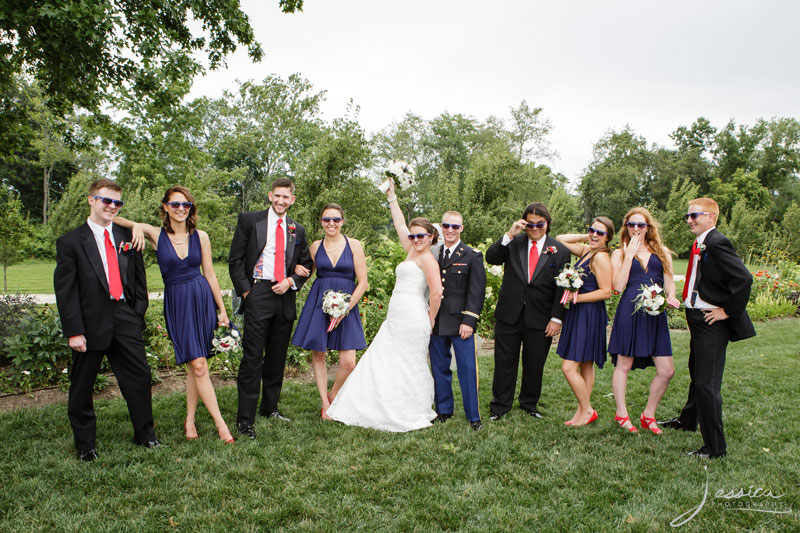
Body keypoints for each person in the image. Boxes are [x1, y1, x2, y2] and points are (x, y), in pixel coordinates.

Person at [115, 186, 234, 444]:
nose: (181, 209)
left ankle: (190, 419)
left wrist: (222, 309)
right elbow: (113, 217)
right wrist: (136, 226)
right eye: (176, 204)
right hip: (178, 302)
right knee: (198, 364)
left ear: (191, 209)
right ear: (166, 207)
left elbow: (210, 274)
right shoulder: (156, 234)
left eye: (186, 205)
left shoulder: (200, 236)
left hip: (201, 298)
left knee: (198, 365)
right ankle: (221, 424)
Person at [54, 179, 158, 462]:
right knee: (82, 386)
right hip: (89, 323)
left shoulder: (128, 236)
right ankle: (86, 445)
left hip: (125, 316)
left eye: (117, 202)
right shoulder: (71, 242)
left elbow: (139, 279)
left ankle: (146, 435)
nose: (112, 206)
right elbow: (66, 291)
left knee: (139, 377)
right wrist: (74, 331)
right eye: (106, 201)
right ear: (91, 200)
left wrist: (137, 314)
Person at [325, 180, 441, 432]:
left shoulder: (428, 259)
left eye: (421, 236)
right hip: (396, 316)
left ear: (431, 237)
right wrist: (392, 198)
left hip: (413, 317)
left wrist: (431, 320)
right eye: (413, 235)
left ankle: (406, 408)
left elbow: (437, 293)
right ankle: (375, 402)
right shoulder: (411, 249)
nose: (415, 239)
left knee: (408, 362)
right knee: (385, 358)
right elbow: (399, 224)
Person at [658, 198, 755, 458]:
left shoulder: (716, 242)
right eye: (687, 216)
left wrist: (726, 311)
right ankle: (688, 421)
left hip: (712, 323)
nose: (689, 220)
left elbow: (744, 279)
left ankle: (715, 448)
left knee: (706, 382)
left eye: (694, 216)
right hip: (697, 318)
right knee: (697, 373)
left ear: (711, 217)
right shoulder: (701, 243)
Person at [228, 178, 313, 439]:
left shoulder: (297, 229)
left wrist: (293, 280)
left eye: (286, 197)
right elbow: (235, 259)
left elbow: (306, 264)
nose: (281, 201)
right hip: (258, 293)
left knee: (276, 357)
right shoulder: (250, 220)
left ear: (292, 200)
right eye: (277, 195)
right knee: (252, 358)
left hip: (284, 295)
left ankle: (270, 408)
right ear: (270, 196)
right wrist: (247, 292)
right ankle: (245, 419)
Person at [485, 202, 571, 421]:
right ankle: (500, 406)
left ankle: (529, 404)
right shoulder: (514, 242)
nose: (534, 228)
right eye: (529, 224)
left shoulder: (559, 251)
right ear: (523, 224)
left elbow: (563, 288)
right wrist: (509, 234)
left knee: (534, 363)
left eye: (539, 224)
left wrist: (556, 318)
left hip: (541, 317)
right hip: (509, 314)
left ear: (547, 223)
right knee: (504, 362)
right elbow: (491, 257)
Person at [291, 204, 368, 419]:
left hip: (346, 305)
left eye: (335, 219)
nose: (331, 223)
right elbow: (307, 273)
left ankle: (333, 395)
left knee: (349, 362)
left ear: (342, 221)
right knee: (318, 354)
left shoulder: (354, 245)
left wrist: (346, 308)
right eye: (326, 220)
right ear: (321, 222)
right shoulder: (315, 247)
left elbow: (363, 282)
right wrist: (296, 269)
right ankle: (325, 404)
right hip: (319, 303)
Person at [608, 208, 680, 434]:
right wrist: (629, 255)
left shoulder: (662, 252)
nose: (636, 229)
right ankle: (621, 414)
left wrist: (672, 297)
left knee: (667, 370)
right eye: (631, 225)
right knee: (624, 364)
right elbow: (618, 286)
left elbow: (669, 281)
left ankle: (648, 414)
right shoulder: (619, 253)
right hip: (630, 311)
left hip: (655, 313)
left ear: (649, 227)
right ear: (626, 227)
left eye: (640, 225)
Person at [428, 211, 486, 431]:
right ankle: (444, 410)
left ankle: (473, 416)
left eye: (455, 226)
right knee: (439, 367)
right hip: (438, 321)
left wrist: (469, 321)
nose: (450, 230)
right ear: (441, 227)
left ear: (461, 228)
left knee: (467, 369)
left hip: (461, 322)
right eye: (446, 226)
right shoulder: (434, 253)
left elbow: (476, 291)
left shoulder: (472, 255)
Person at [555, 217, 614, 427]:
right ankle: (581, 413)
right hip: (578, 312)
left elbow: (606, 291)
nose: (595, 235)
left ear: (608, 238)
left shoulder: (601, 258)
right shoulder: (588, 251)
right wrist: (586, 236)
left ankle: (587, 409)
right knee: (586, 364)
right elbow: (560, 239)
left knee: (569, 367)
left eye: (600, 233)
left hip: (589, 313)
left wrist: (576, 298)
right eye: (592, 231)